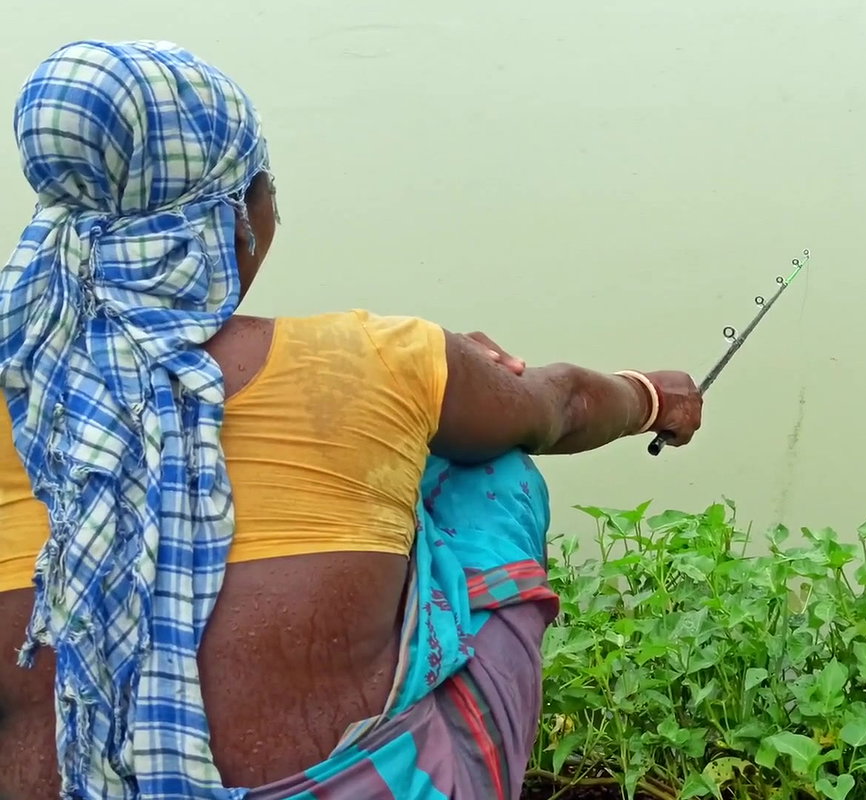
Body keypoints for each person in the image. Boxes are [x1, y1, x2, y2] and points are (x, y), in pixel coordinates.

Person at [0, 40, 702, 800]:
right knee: (483, 461)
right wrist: (654, 396)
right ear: (238, 214)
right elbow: (562, 406)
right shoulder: (375, 358)